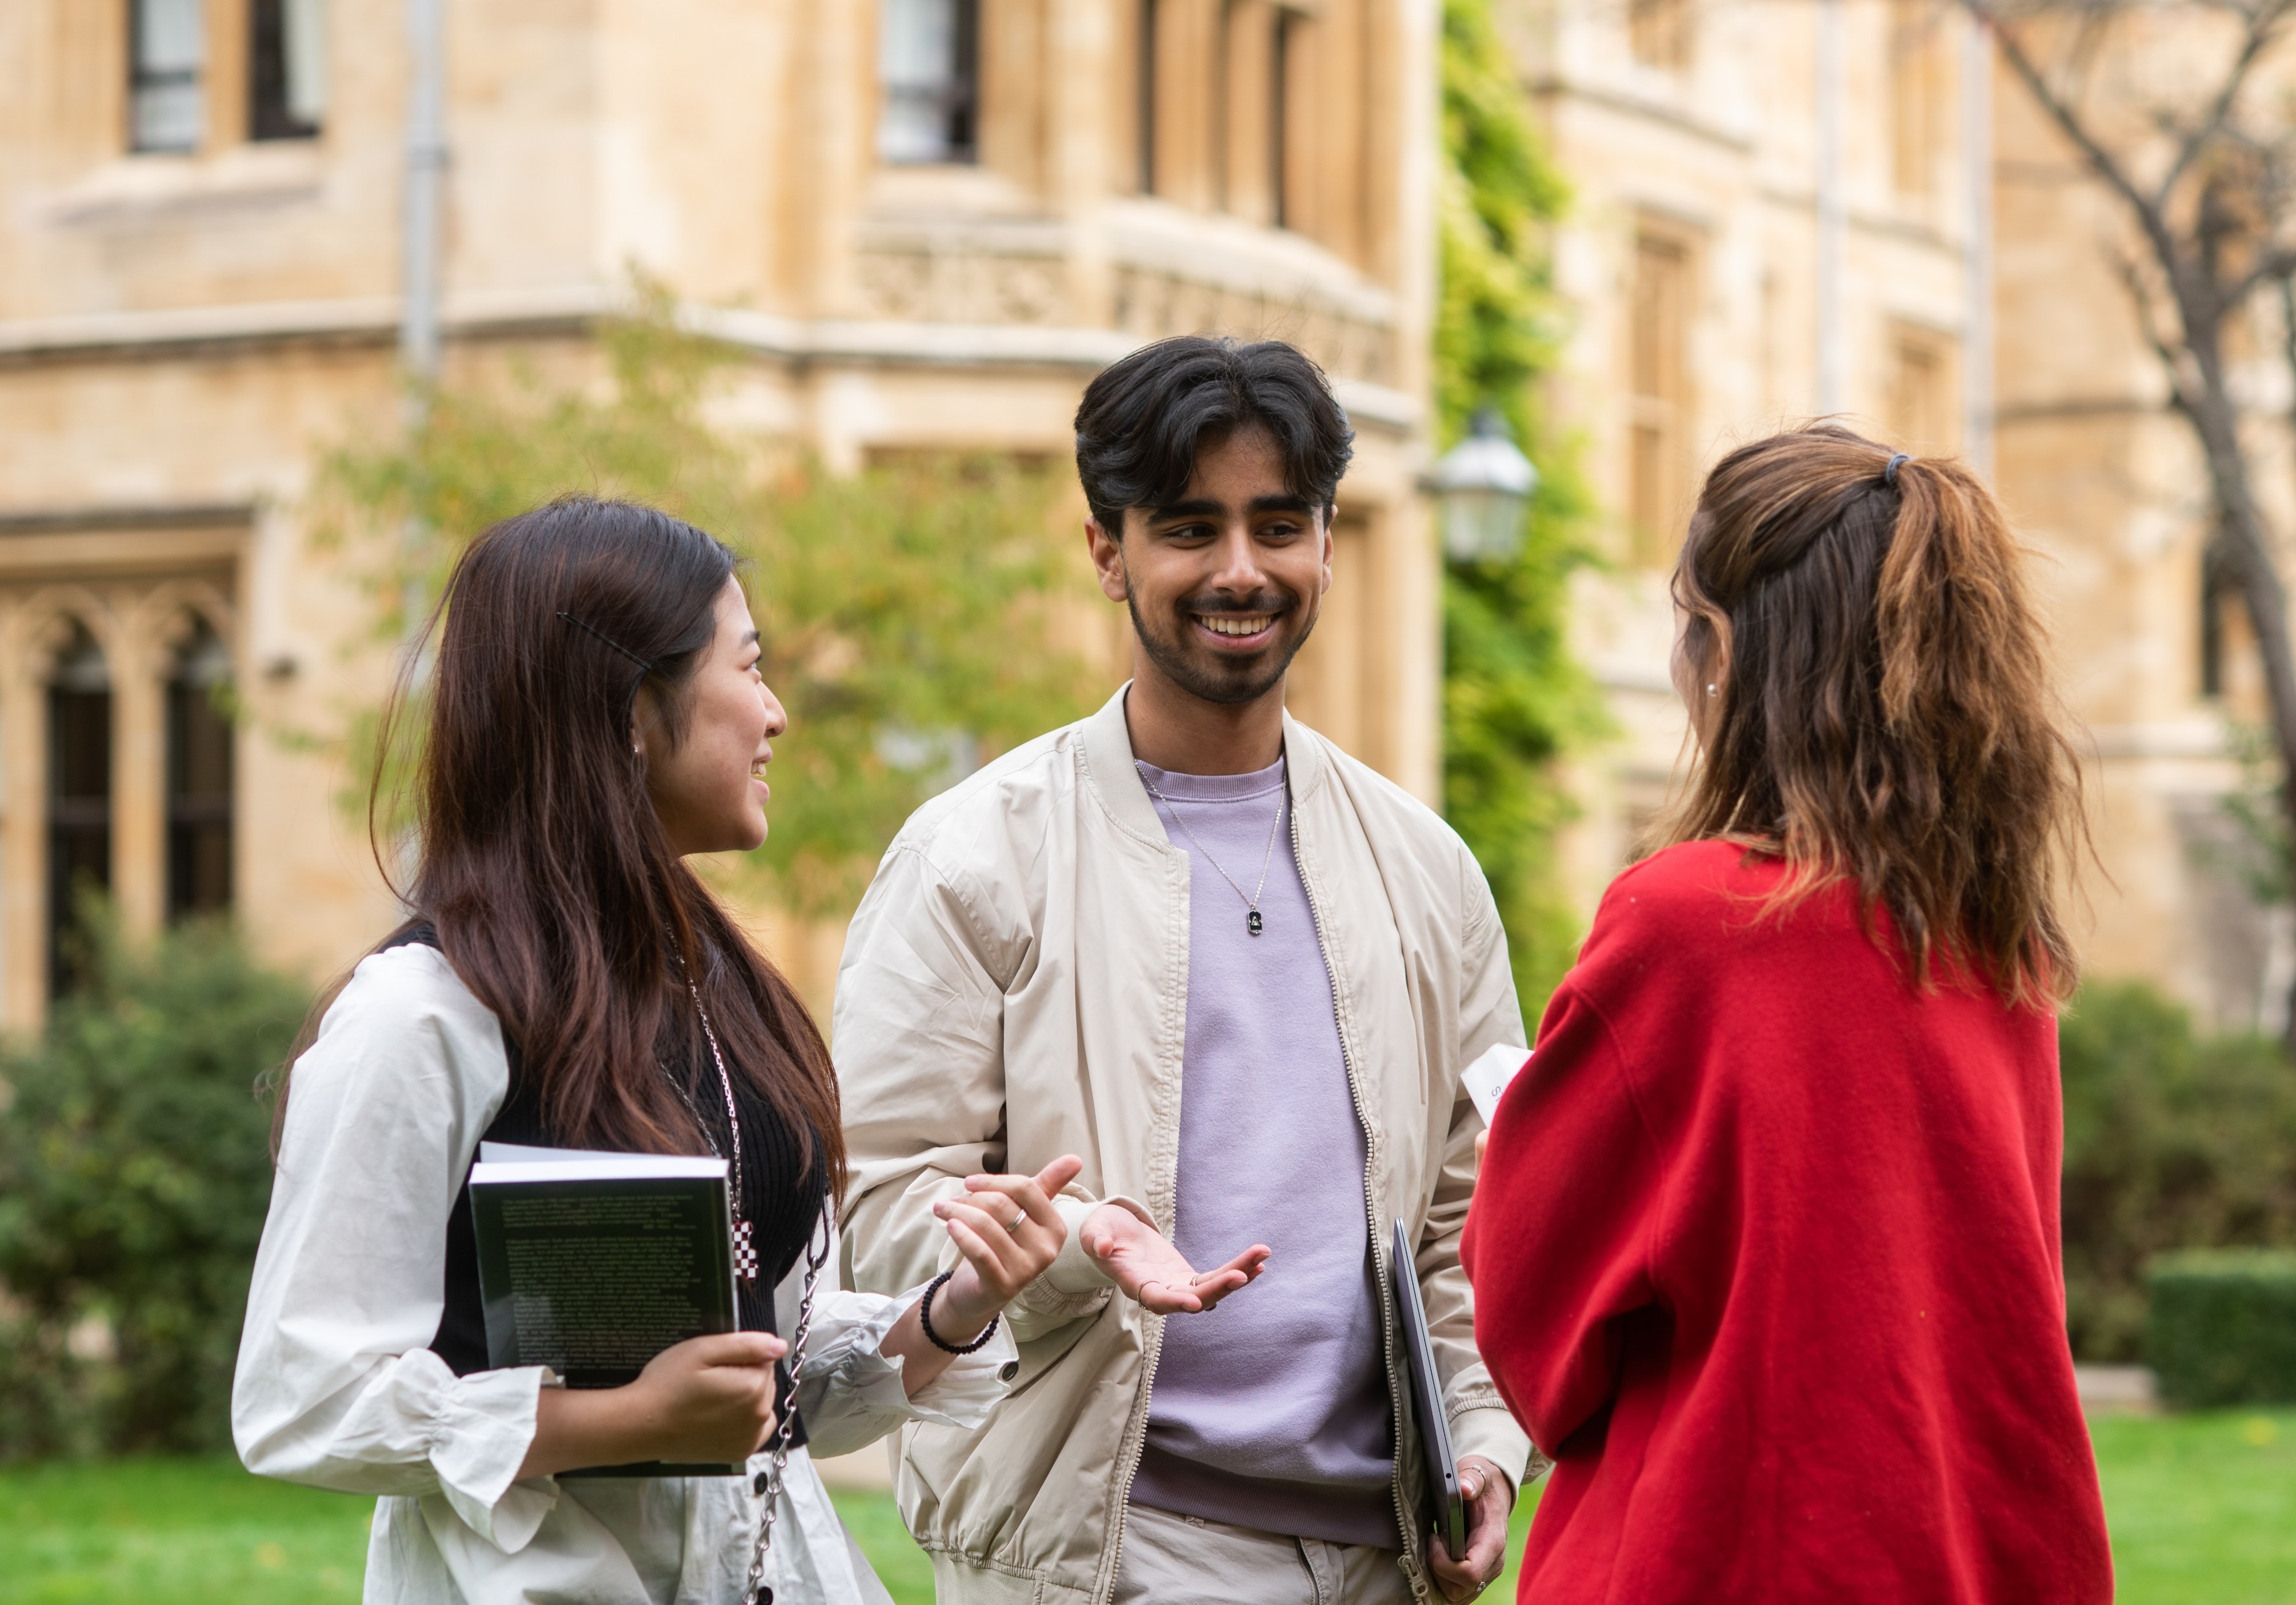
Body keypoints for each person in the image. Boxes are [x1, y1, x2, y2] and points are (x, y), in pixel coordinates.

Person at [233, 499, 1084, 1605]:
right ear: (634, 707)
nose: (777, 713)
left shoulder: (723, 991)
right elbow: (303, 1399)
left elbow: (759, 1380)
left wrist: (952, 1308)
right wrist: (626, 1421)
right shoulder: (423, 1014)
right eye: (752, 667)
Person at [833, 336, 1535, 1605]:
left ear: (1327, 543)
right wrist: (1074, 1237)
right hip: (1114, 1553)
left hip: (1387, 1559)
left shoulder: (1427, 867)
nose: (1240, 570)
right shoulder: (972, 857)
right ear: (1107, 549)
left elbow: (1471, 1217)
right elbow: (880, 1217)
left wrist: (1484, 1440)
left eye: (1279, 524)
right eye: (1189, 527)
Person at [1462, 425, 2114, 1602]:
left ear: (1726, 650)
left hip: (1722, 1551)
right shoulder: (1997, 946)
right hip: (1977, 1558)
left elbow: (1538, 1325)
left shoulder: (1689, 926)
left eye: (1684, 620)